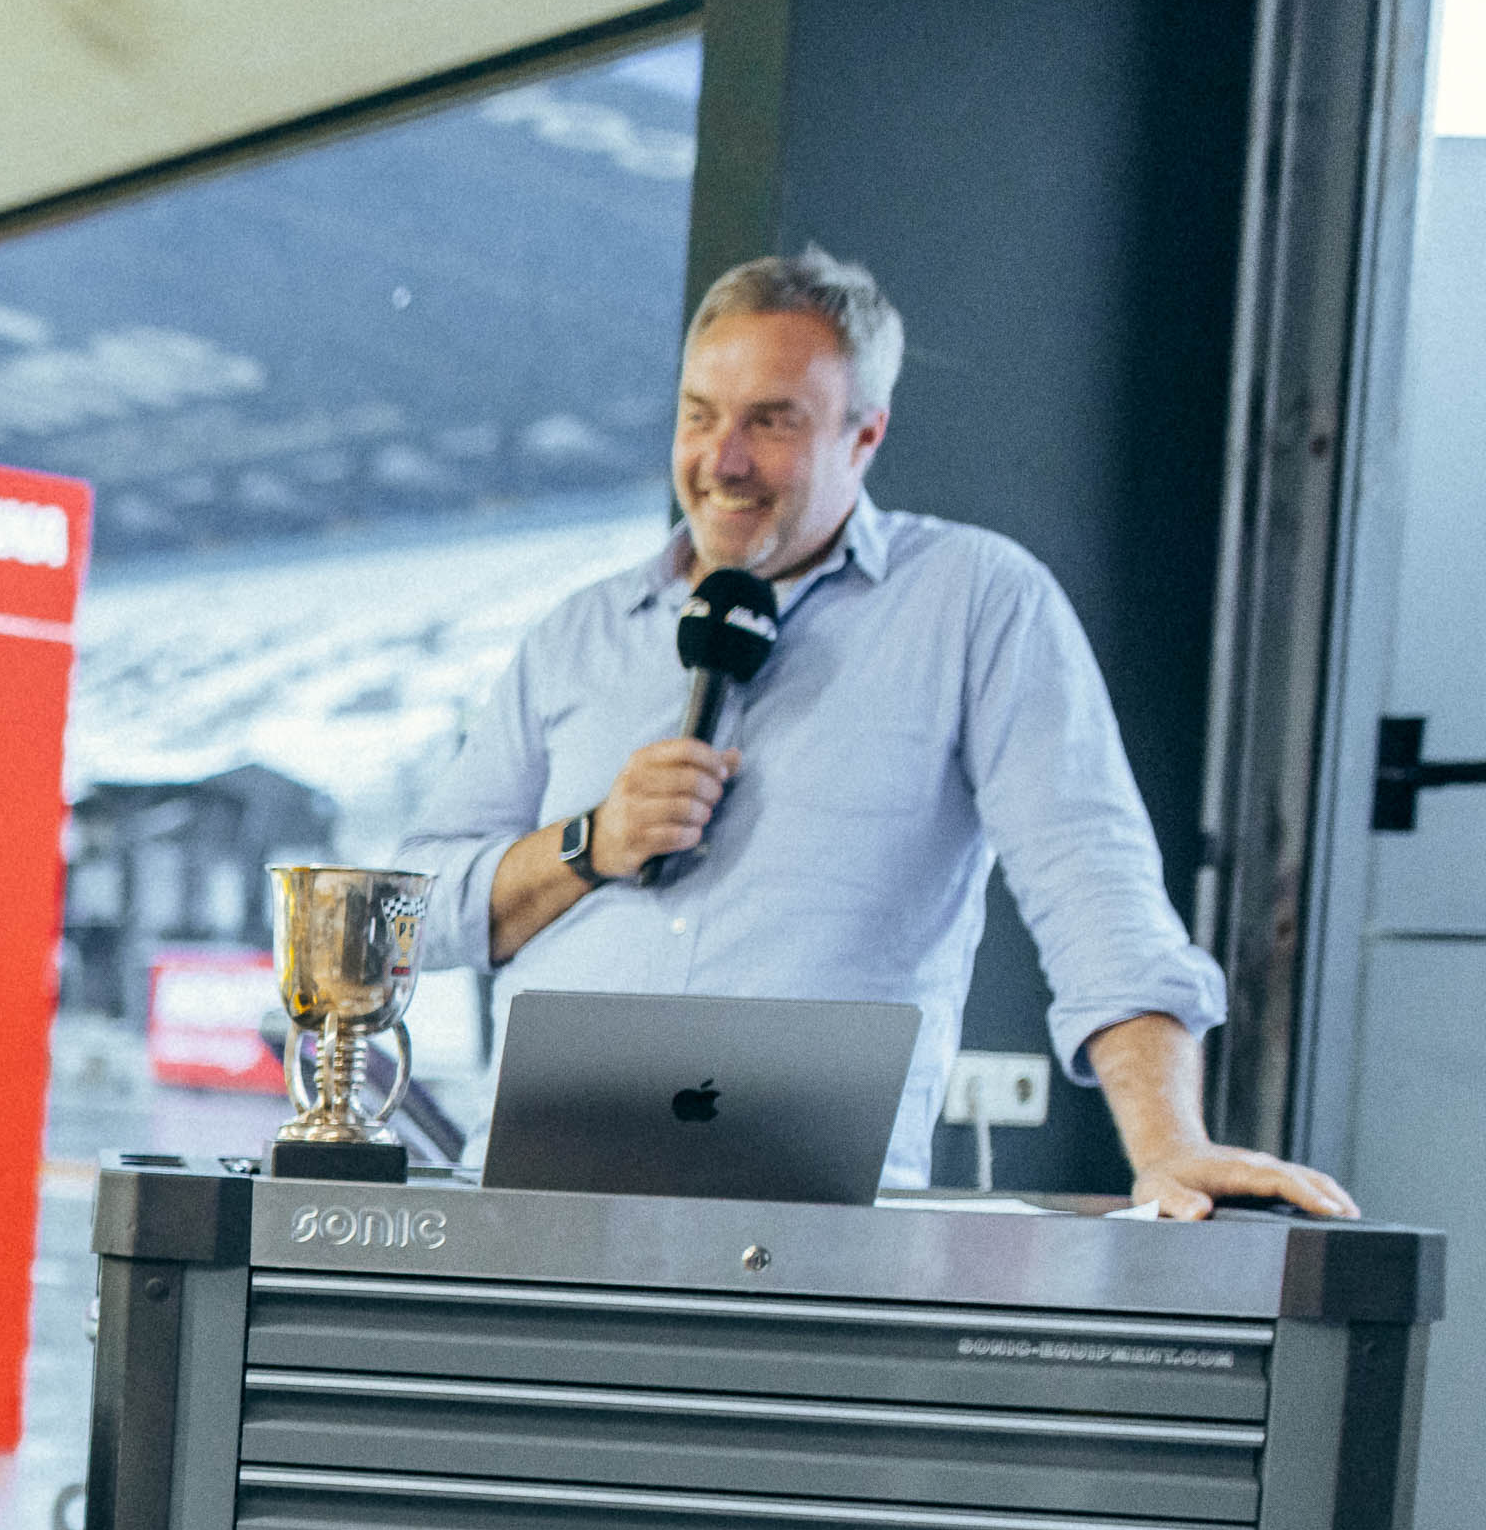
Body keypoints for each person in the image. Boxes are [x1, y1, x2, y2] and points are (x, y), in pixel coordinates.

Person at [397, 246, 1357, 1217]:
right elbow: (408, 914)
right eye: (700, 415)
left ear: (865, 436)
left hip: (804, 1223)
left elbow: (1093, 882)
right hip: (529, 1201)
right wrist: (586, 843)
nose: (723, 460)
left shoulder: (974, 600)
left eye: (771, 422)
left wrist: (1171, 1145)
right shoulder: (576, 636)